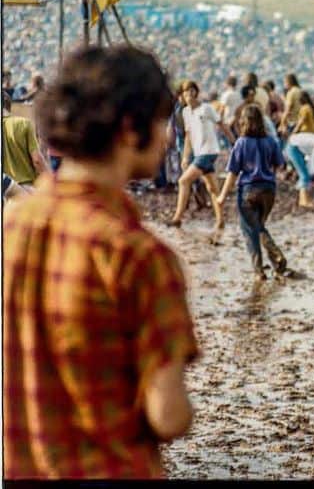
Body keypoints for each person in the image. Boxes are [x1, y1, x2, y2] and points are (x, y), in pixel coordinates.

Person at [3, 45, 198, 479]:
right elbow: (168, 415)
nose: (166, 138)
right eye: (161, 122)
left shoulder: (14, 225)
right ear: (130, 128)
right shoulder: (140, 256)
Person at [215, 104, 293, 281]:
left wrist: (222, 196)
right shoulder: (271, 141)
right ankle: (276, 262)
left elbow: (233, 173)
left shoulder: (241, 143)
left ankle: (260, 270)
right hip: (269, 190)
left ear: (244, 121)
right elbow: (279, 164)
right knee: (259, 226)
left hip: (248, 191)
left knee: (251, 230)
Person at [167, 81, 225, 230]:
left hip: (209, 151)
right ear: (182, 96)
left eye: (192, 92)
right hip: (199, 152)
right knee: (213, 189)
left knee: (183, 181)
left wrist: (235, 142)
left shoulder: (206, 108)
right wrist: (186, 156)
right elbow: (188, 136)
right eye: (186, 93)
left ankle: (177, 218)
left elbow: (221, 124)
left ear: (196, 93)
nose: (189, 95)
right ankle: (220, 220)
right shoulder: (186, 112)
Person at [2, 91, 48, 189]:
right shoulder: (23, 123)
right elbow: (37, 160)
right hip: (25, 188)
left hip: (4, 188)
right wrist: (50, 178)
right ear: (8, 105)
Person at [285, 90, 314, 208]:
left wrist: (293, 133)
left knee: (304, 173)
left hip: (301, 139)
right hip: (300, 142)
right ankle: (304, 200)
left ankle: (303, 199)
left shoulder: (305, 108)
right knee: (304, 174)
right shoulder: (312, 108)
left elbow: (300, 123)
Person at [279, 73, 302, 138]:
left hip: (292, 122)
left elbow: (287, 110)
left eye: (285, 82)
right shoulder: (300, 91)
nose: (284, 84)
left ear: (288, 82)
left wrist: (282, 124)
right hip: (299, 121)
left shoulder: (291, 92)